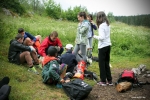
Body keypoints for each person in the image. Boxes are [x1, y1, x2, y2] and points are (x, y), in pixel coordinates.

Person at [93, 11, 113, 86]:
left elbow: (101, 37)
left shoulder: (101, 26)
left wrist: (94, 36)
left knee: (102, 64)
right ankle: (110, 80)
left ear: (100, 17)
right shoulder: (107, 24)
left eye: (97, 17)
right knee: (106, 63)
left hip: (102, 47)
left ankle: (103, 81)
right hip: (108, 46)